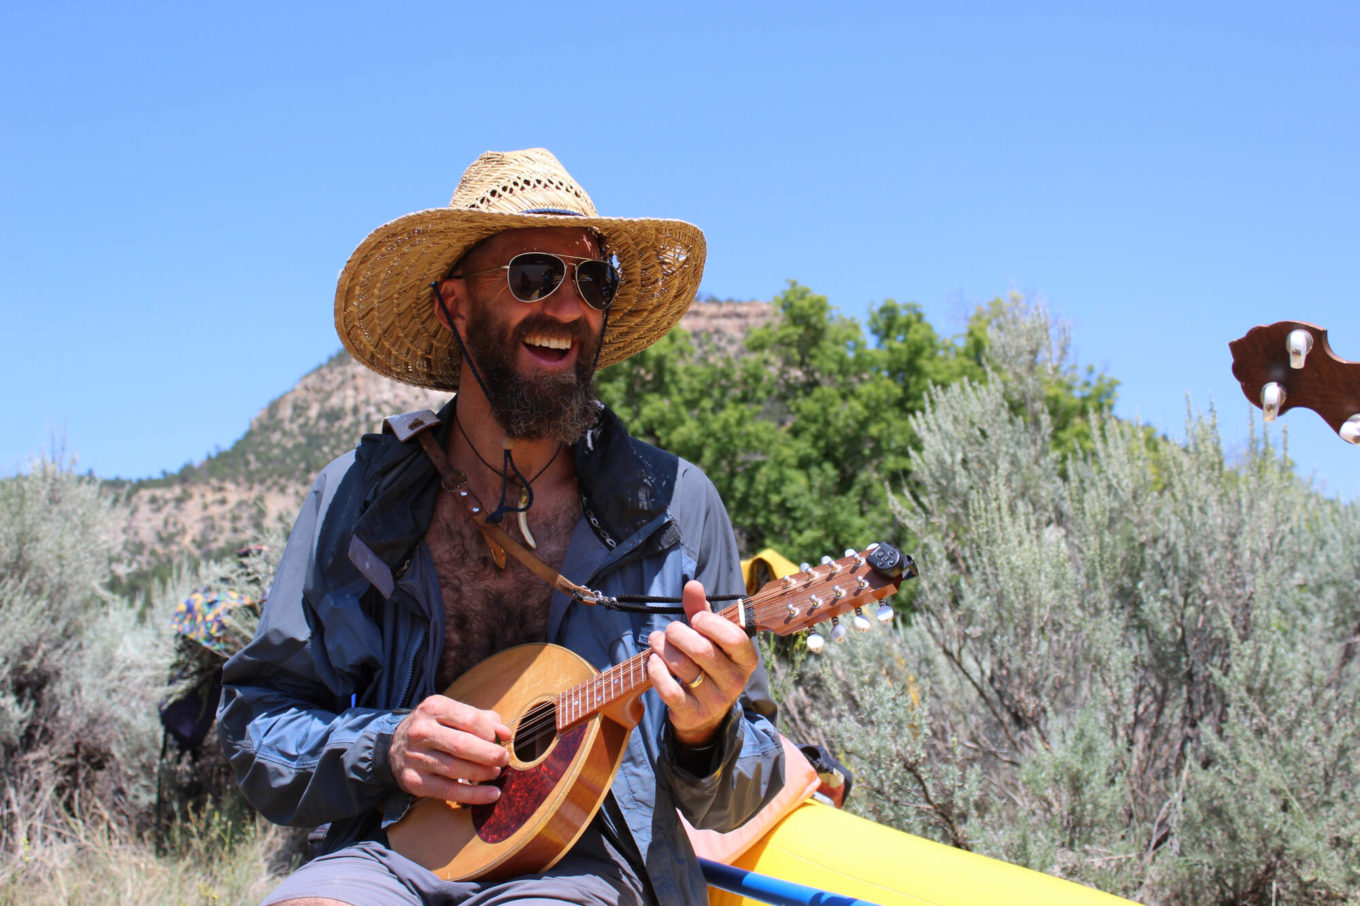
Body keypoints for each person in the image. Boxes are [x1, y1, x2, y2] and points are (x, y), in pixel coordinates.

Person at [218, 148, 786, 906]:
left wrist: (706, 729)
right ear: (456, 304)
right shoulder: (358, 499)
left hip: (594, 867)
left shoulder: (674, 509)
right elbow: (258, 726)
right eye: (531, 276)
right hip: (394, 852)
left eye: (592, 280)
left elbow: (740, 793)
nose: (566, 306)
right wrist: (387, 748)